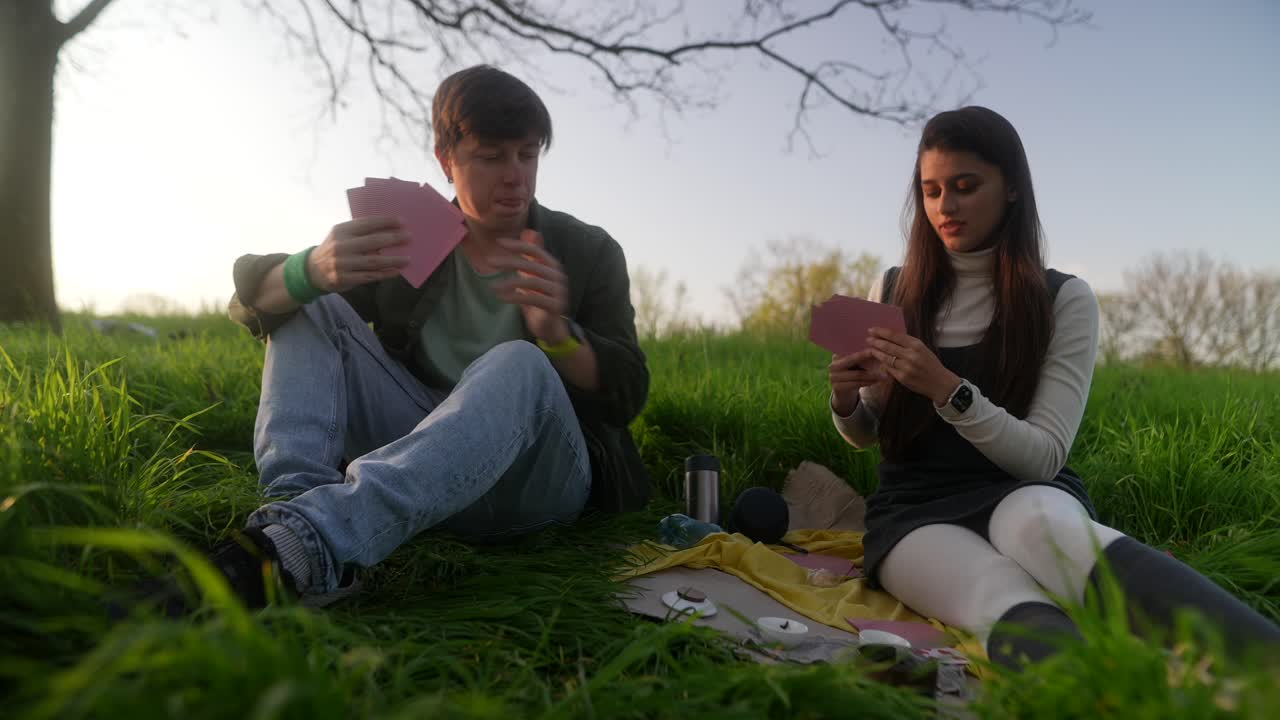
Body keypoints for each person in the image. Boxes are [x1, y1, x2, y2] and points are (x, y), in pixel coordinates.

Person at [181, 65, 650, 608]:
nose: (515, 176)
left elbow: (628, 397)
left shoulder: (586, 250)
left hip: (537, 476)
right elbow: (251, 307)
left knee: (519, 362)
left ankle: (317, 537)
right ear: (446, 161)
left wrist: (558, 335)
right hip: (420, 456)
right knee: (311, 300)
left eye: (527, 155)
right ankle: (290, 528)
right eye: (491, 156)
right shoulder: (410, 234)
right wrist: (309, 271)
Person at [827, 106, 1279, 667]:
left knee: (1049, 534)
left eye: (966, 187)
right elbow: (869, 434)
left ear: (1011, 187)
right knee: (994, 591)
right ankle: (1126, 697)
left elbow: (1042, 458)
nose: (946, 206)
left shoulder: (1064, 299)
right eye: (932, 190)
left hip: (1025, 489)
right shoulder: (893, 287)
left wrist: (947, 388)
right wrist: (848, 401)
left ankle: (1260, 668)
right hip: (913, 508)